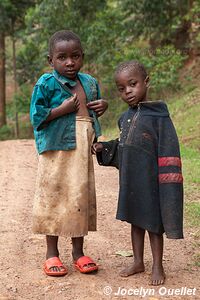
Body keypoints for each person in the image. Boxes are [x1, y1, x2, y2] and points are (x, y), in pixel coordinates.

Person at [93, 60, 183, 285]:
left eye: (132, 84)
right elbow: (125, 146)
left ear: (146, 82)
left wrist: (168, 182)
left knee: (153, 225)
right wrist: (105, 147)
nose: (128, 92)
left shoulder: (160, 118)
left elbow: (169, 150)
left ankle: (158, 266)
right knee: (135, 221)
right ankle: (138, 261)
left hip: (152, 182)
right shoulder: (125, 118)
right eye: (122, 89)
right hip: (132, 181)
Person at [30, 30, 108, 277]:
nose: (69, 62)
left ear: (82, 56)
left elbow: (90, 115)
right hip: (56, 154)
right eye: (62, 57)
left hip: (82, 152)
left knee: (78, 199)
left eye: (75, 56)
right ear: (50, 60)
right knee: (53, 198)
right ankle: (51, 254)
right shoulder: (46, 83)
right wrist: (60, 110)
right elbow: (37, 117)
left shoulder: (90, 82)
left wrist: (102, 107)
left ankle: (78, 253)